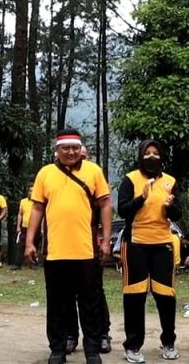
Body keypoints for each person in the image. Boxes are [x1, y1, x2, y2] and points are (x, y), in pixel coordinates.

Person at [26, 129, 112, 364]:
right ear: (58, 150)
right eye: (66, 148)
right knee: (57, 304)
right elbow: (37, 208)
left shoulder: (93, 171)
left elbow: (105, 204)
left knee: (90, 303)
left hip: (86, 251)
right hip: (55, 252)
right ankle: (57, 349)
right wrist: (29, 241)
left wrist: (106, 239)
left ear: (80, 149)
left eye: (75, 147)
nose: (71, 152)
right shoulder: (45, 174)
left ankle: (92, 350)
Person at [117, 140, 182, 363]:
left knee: (166, 296)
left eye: (156, 153)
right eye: (147, 153)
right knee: (135, 296)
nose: (152, 157)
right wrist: (142, 198)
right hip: (135, 244)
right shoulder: (130, 179)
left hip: (163, 244)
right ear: (140, 156)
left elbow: (177, 215)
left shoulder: (170, 181)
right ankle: (133, 346)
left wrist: (170, 207)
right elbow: (123, 210)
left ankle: (169, 342)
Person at [66, 145, 113, 356]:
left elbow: (105, 208)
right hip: (65, 245)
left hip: (90, 242)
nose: (77, 157)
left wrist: (105, 242)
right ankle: (70, 335)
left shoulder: (95, 178)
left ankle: (102, 334)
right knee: (66, 293)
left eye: (83, 155)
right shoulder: (58, 178)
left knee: (94, 291)